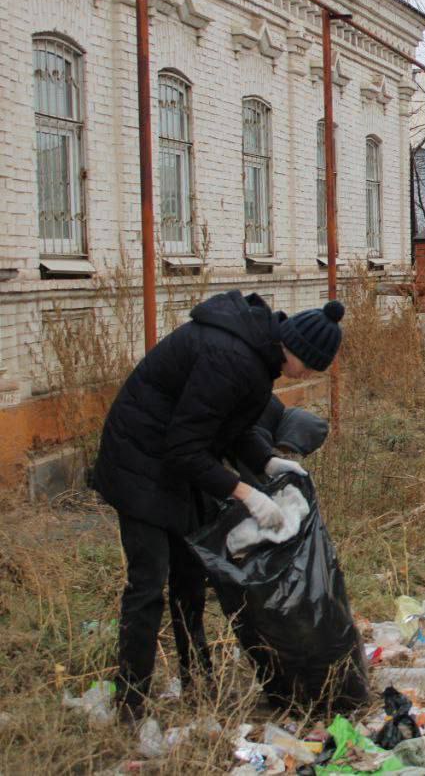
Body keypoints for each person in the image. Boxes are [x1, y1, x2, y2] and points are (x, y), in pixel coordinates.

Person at [92, 291, 345, 717]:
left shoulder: (256, 356)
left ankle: (198, 685)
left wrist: (266, 461)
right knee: (148, 584)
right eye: (310, 366)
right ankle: (130, 705)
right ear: (295, 351)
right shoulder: (230, 357)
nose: (306, 374)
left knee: (191, 575)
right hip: (138, 463)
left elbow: (231, 422)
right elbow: (185, 447)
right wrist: (245, 493)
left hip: (172, 464)